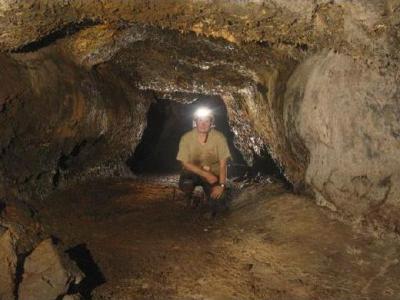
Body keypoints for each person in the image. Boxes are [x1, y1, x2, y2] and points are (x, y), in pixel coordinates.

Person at [176, 107, 231, 214]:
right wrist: (205, 174)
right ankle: (189, 197)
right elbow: (185, 163)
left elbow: (223, 165)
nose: (203, 124)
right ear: (195, 122)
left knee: (220, 203)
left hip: (213, 174)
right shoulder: (186, 138)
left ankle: (209, 199)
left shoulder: (219, 138)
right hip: (192, 173)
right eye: (200, 120)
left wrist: (222, 186)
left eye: (207, 121)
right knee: (187, 183)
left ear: (211, 123)